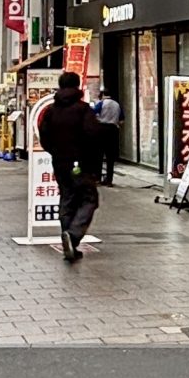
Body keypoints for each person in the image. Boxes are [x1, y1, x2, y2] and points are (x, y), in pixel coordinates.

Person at [38, 72, 103, 263]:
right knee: (89, 199)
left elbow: (44, 137)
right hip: (81, 164)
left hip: (60, 162)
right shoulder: (83, 110)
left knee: (67, 199)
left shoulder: (51, 111)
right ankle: (73, 235)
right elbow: (93, 135)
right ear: (77, 86)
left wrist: (56, 152)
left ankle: (69, 242)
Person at [93, 83, 123, 184]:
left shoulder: (101, 104)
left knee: (99, 155)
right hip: (113, 130)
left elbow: (93, 113)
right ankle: (109, 180)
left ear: (102, 95)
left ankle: (97, 178)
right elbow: (122, 119)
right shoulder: (117, 104)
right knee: (111, 157)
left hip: (101, 129)